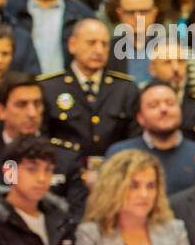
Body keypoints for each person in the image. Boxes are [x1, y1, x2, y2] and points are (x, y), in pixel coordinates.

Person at [72, 148, 195, 245]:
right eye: (134, 185)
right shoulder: (90, 234)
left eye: (151, 186)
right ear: (113, 187)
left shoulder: (175, 230)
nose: (144, 194)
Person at [0, 73, 86, 215]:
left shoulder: (66, 158)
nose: (32, 113)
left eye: (37, 104)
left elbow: (78, 215)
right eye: (22, 105)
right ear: (1, 111)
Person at [38, 18, 140, 159]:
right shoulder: (49, 88)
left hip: (114, 171)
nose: (99, 50)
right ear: (72, 45)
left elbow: (134, 140)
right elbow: (42, 139)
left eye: (104, 44)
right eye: (91, 43)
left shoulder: (126, 89)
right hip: (64, 171)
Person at [105, 82, 195, 195]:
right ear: (140, 118)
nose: (164, 109)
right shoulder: (120, 155)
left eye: (170, 103)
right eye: (153, 105)